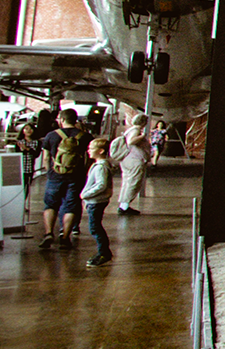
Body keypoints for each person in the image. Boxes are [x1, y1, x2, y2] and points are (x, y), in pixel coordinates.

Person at [40, 108, 87, 249]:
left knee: (50, 205)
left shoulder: (51, 136)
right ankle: (65, 237)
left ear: (61, 119)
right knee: (71, 206)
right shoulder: (85, 136)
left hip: (55, 176)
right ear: (75, 120)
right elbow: (88, 159)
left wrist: (49, 172)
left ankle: (48, 233)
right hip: (76, 176)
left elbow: (46, 157)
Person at [81, 138, 113, 267]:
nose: (88, 151)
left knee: (95, 228)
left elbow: (101, 185)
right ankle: (103, 252)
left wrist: (85, 195)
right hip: (95, 200)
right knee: (95, 227)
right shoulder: (100, 165)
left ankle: (103, 253)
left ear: (100, 151)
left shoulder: (100, 167)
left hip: (96, 201)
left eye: (91, 148)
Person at [114, 113, 150, 214]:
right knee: (133, 182)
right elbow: (131, 141)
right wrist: (142, 136)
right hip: (135, 160)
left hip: (127, 160)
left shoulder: (129, 129)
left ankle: (123, 204)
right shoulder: (136, 130)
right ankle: (124, 206)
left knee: (126, 182)